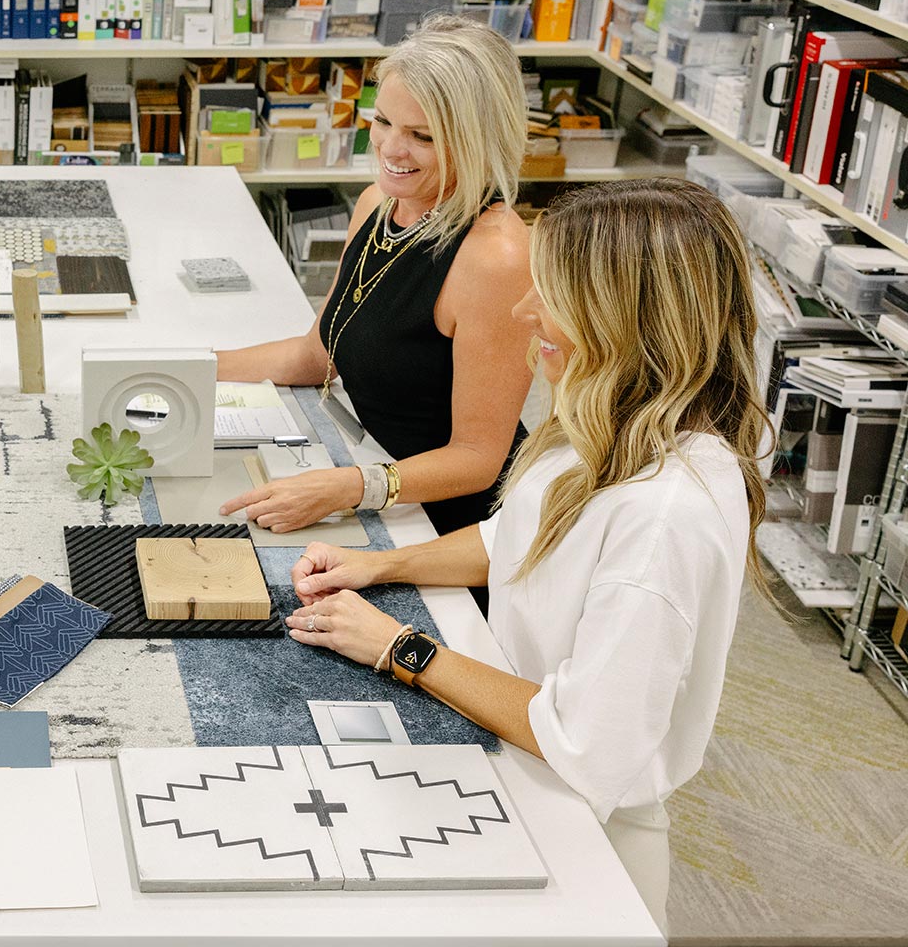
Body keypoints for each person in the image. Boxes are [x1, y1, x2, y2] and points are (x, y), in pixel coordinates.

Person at [282, 179, 766, 930]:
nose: (522, 310)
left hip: (583, 836)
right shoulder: (608, 422)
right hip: (513, 761)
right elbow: (514, 541)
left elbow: (584, 741)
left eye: (554, 294)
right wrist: (379, 566)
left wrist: (399, 648)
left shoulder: (664, 515)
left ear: (626, 317)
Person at [215, 14, 534, 537]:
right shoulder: (378, 204)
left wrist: (347, 487)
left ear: (479, 140)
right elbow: (315, 356)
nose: (389, 149)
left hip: (453, 522)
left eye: (422, 136)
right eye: (383, 121)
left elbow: (477, 457)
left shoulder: (494, 258)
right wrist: (186, 369)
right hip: (371, 467)